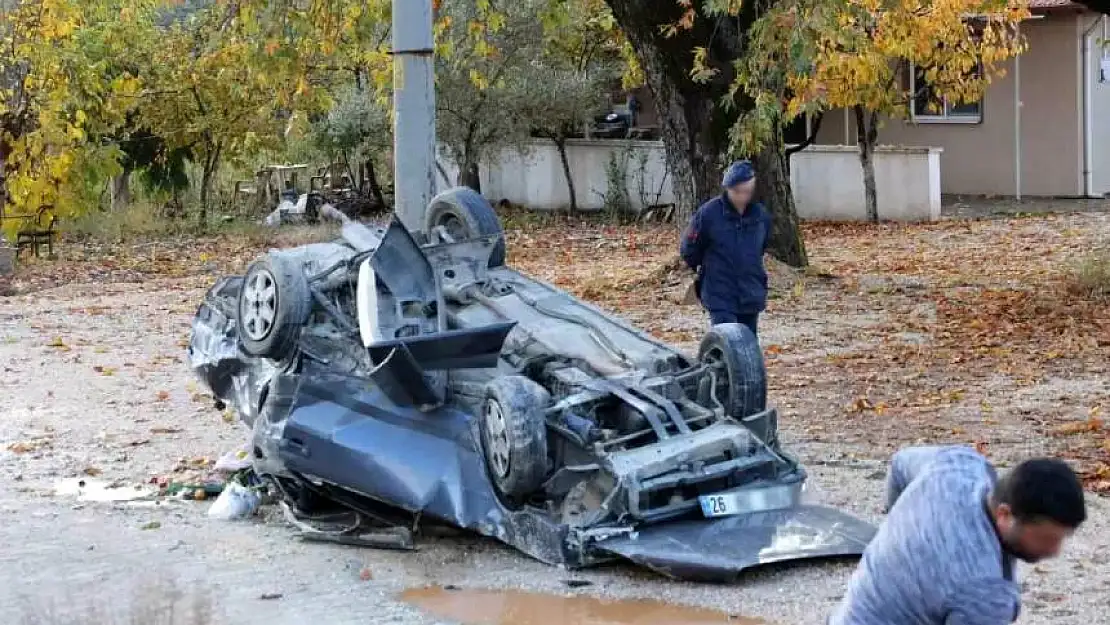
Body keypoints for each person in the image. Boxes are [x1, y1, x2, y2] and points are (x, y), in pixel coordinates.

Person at [830, 445, 1087, 625]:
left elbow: (900, 464)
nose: (1055, 551)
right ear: (1005, 514)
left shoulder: (957, 465)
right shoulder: (984, 591)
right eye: (1046, 539)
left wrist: (895, 531)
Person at [679, 160, 771, 337]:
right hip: (719, 291)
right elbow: (689, 249)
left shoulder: (760, 216)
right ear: (728, 189)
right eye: (737, 191)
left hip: (751, 291)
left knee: (748, 345)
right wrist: (703, 269)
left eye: (746, 191)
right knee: (727, 342)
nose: (742, 196)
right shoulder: (708, 214)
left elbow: (761, 247)